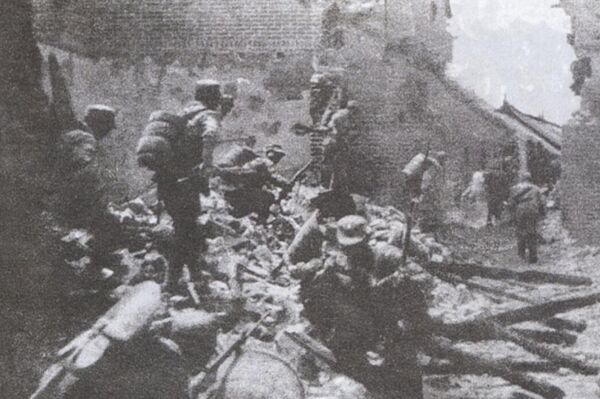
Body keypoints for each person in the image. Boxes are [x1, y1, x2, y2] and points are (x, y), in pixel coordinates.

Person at [294, 215, 429, 398]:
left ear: (366, 239)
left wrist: (401, 283)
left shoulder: (385, 257)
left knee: (406, 375)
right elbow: (315, 303)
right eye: (347, 246)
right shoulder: (335, 265)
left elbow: (419, 293)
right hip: (356, 333)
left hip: (388, 328)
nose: (351, 250)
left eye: (356, 245)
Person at [137, 79, 225, 292]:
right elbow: (211, 133)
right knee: (186, 230)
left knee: (185, 228)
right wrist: (207, 162)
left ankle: (191, 276)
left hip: (167, 181)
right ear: (212, 97)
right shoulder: (208, 115)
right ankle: (174, 281)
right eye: (218, 95)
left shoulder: (184, 114)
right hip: (186, 183)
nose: (220, 100)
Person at [217, 144, 290, 222]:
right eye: (278, 155)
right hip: (241, 191)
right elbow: (274, 177)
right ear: (271, 153)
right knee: (269, 197)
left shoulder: (256, 161)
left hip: (233, 191)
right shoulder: (265, 162)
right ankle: (261, 221)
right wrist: (285, 183)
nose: (278, 159)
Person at [507, 172, 545, 264]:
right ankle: (533, 256)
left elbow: (511, 203)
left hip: (520, 210)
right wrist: (542, 213)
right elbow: (541, 202)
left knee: (520, 232)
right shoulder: (536, 189)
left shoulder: (515, 188)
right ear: (530, 178)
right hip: (532, 210)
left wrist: (511, 216)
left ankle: (521, 255)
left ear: (521, 179)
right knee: (532, 232)